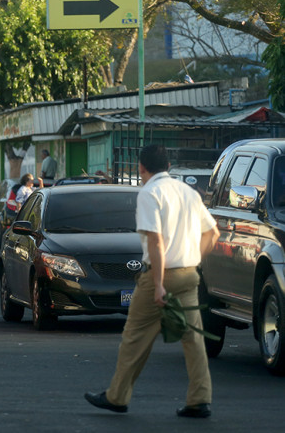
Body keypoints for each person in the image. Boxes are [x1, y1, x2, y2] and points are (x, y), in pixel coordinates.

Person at [84, 144, 220, 418]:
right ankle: (200, 398)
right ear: (168, 166)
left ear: (141, 169)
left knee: (135, 336)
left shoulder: (149, 193)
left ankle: (117, 396)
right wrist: (193, 260)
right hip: (188, 275)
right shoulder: (187, 192)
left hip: (158, 277)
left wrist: (158, 283)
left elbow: (156, 242)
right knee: (192, 339)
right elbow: (212, 234)